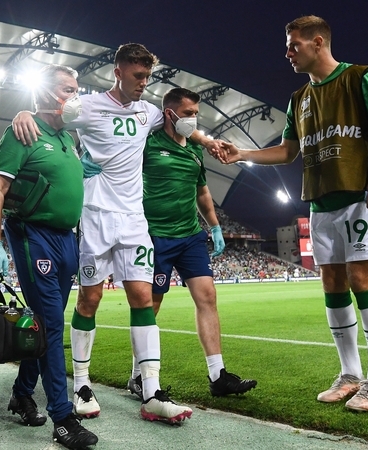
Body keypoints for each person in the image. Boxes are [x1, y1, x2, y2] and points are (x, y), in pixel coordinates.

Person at [11, 43, 222, 423]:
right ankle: (82, 385)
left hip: (134, 219)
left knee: (143, 298)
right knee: (89, 300)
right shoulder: (87, 106)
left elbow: (180, 122)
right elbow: (49, 116)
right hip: (95, 216)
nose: (143, 83)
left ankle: (152, 390)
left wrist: (208, 141)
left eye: (147, 76)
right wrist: (23, 112)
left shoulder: (149, 112)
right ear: (118, 72)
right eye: (137, 75)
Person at [216, 15, 368, 412]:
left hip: (359, 196)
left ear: (318, 42)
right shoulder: (298, 99)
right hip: (320, 201)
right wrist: (243, 153)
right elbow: (287, 150)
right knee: (332, 282)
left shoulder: (359, 77)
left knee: (362, 278)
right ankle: (350, 374)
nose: (287, 53)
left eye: (293, 45)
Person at [0, 64, 97, 449]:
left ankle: (21, 392)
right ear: (47, 93)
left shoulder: (69, 138)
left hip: (67, 240)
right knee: (50, 325)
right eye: (68, 89)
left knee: (45, 325)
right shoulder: (23, 130)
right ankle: (63, 419)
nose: (75, 95)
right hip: (33, 236)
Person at [120, 87, 257, 399]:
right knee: (151, 306)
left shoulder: (195, 152)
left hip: (190, 236)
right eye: (187, 113)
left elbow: (203, 193)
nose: (193, 119)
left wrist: (215, 227)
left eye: (196, 113)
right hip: (155, 237)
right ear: (169, 113)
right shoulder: (148, 144)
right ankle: (138, 375)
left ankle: (218, 375)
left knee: (207, 297)